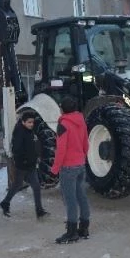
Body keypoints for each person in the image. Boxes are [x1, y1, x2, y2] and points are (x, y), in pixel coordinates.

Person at [50, 96, 90, 243]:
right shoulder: (81, 121)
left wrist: (55, 168)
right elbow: (86, 143)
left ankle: (72, 232)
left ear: (62, 109)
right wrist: (82, 157)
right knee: (81, 196)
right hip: (80, 165)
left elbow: (61, 150)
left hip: (68, 167)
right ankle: (84, 227)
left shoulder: (63, 125)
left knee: (70, 200)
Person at [0, 111, 49, 219]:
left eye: (32, 122)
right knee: (17, 185)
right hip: (22, 165)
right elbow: (16, 149)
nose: (31, 124)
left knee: (36, 186)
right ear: (23, 122)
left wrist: (36, 156)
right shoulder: (19, 132)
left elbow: (34, 145)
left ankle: (39, 210)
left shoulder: (30, 131)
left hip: (31, 164)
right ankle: (5, 203)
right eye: (29, 122)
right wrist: (24, 160)